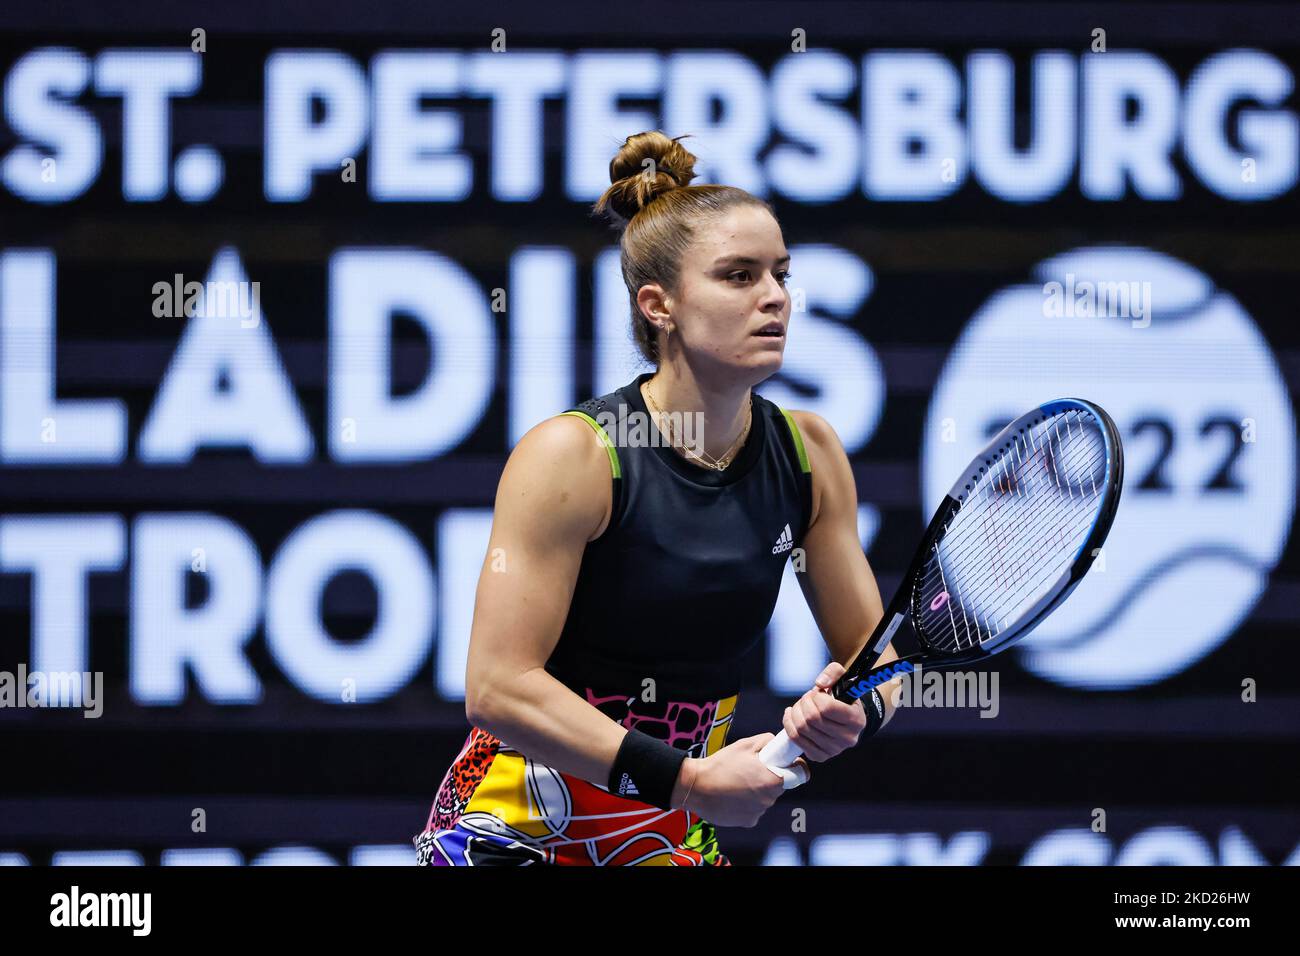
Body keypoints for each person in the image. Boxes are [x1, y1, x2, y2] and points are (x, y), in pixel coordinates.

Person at [414, 131, 904, 866]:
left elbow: (879, 666)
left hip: (665, 838)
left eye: (780, 273)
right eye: (738, 276)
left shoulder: (809, 454)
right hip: (511, 833)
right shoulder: (575, 456)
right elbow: (497, 688)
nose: (775, 297)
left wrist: (848, 709)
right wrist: (690, 779)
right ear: (659, 304)